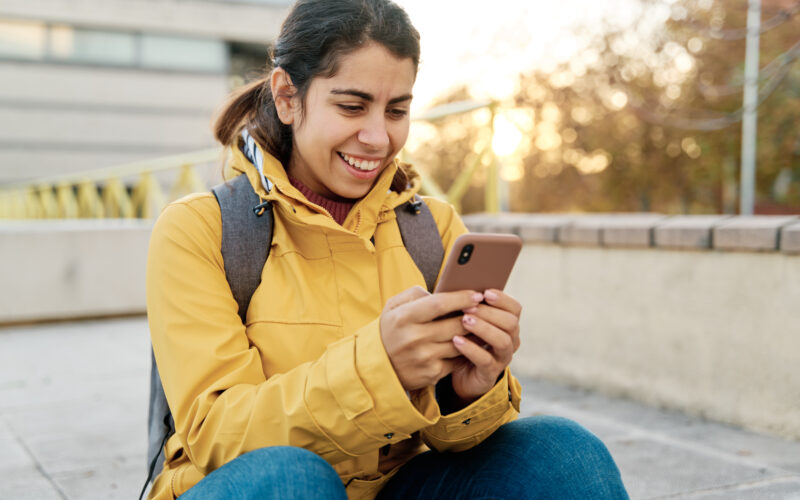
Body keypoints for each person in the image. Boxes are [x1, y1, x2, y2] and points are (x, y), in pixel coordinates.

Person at [145, 0, 630, 498]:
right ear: (288, 96)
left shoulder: (434, 228)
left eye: (397, 110)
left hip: (395, 488)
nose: (378, 137)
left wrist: (467, 390)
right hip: (254, 488)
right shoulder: (198, 229)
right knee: (293, 481)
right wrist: (381, 370)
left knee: (563, 451)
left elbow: (458, 443)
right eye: (352, 107)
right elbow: (216, 436)